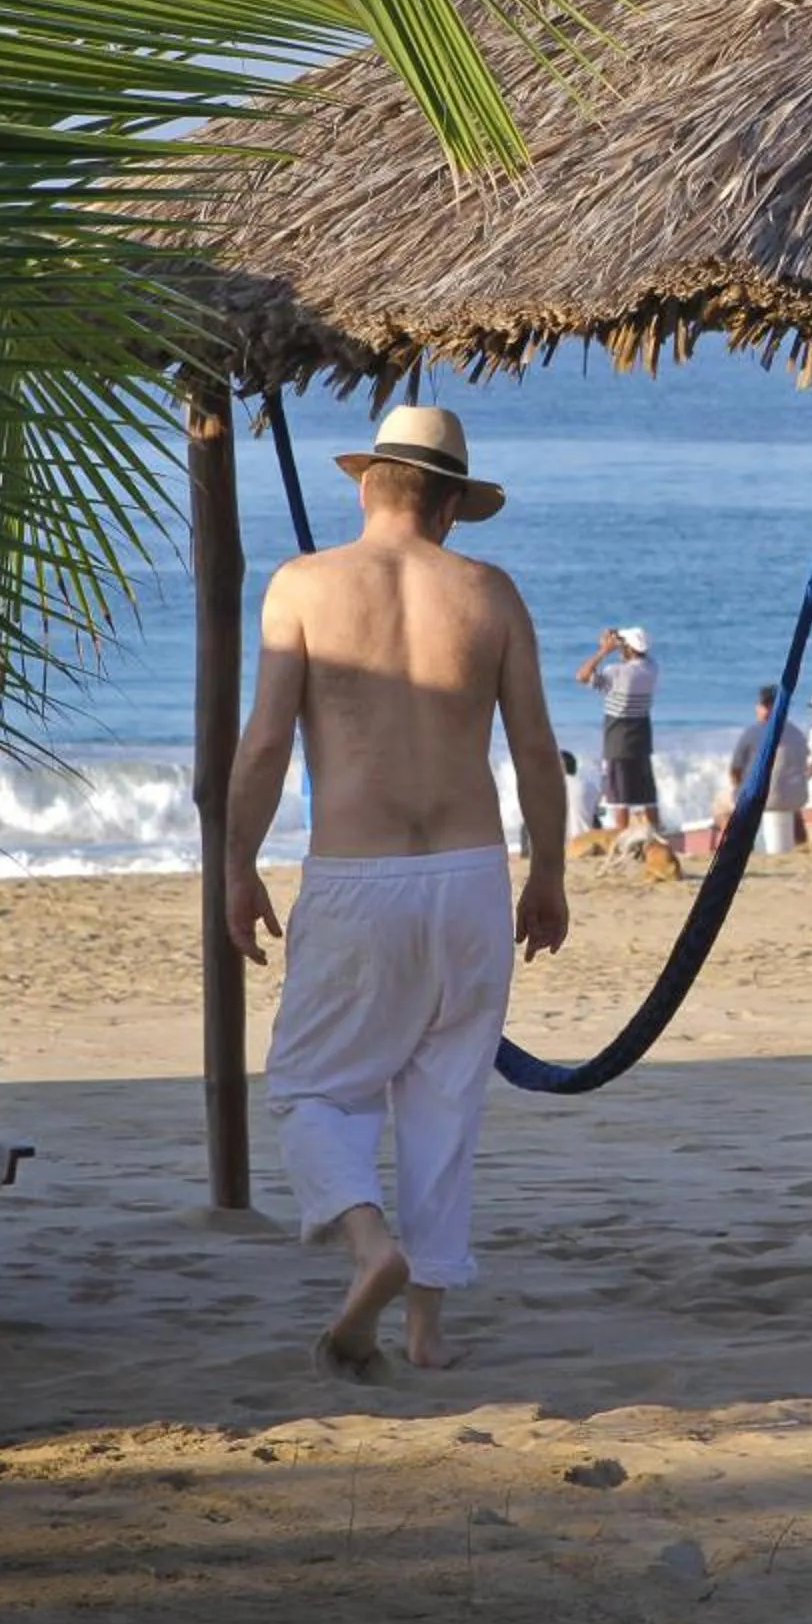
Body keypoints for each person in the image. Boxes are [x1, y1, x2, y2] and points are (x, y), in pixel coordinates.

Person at [223, 404, 568, 1382]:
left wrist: (237, 863)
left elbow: (264, 742)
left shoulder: (302, 584)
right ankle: (426, 1328)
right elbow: (537, 748)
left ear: (366, 483)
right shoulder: (489, 592)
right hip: (468, 873)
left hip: (358, 874)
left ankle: (371, 1243)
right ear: (452, 504)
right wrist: (548, 870)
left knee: (310, 1086)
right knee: (446, 1093)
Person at [574, 623, 660, 842]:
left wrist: (603, 650)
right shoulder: (651, 668)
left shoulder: (617, 672)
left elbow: (582, 676)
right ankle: (656, 839)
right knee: (646, 797)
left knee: (620, 799)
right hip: (641, 739)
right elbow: (636, 657)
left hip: (617, 741)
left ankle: (623, 839)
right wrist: (619, 642)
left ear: (629, 649)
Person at [722, 684, 811, 854]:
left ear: (765, 707)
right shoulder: (797, 733)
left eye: (760, 705)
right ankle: (799, 843)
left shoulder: (753, 731)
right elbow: (805, 765)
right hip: (797, 797)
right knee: (786, 794)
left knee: (723, 807)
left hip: (766, 798)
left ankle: (738, 848)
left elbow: (735, 770)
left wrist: (739, 787)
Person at [562, 748, 604, 840]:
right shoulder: (590, 786)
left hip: (558, 844)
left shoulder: (546, 788)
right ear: (575, 768)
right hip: (585, 840)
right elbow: (595, 818)